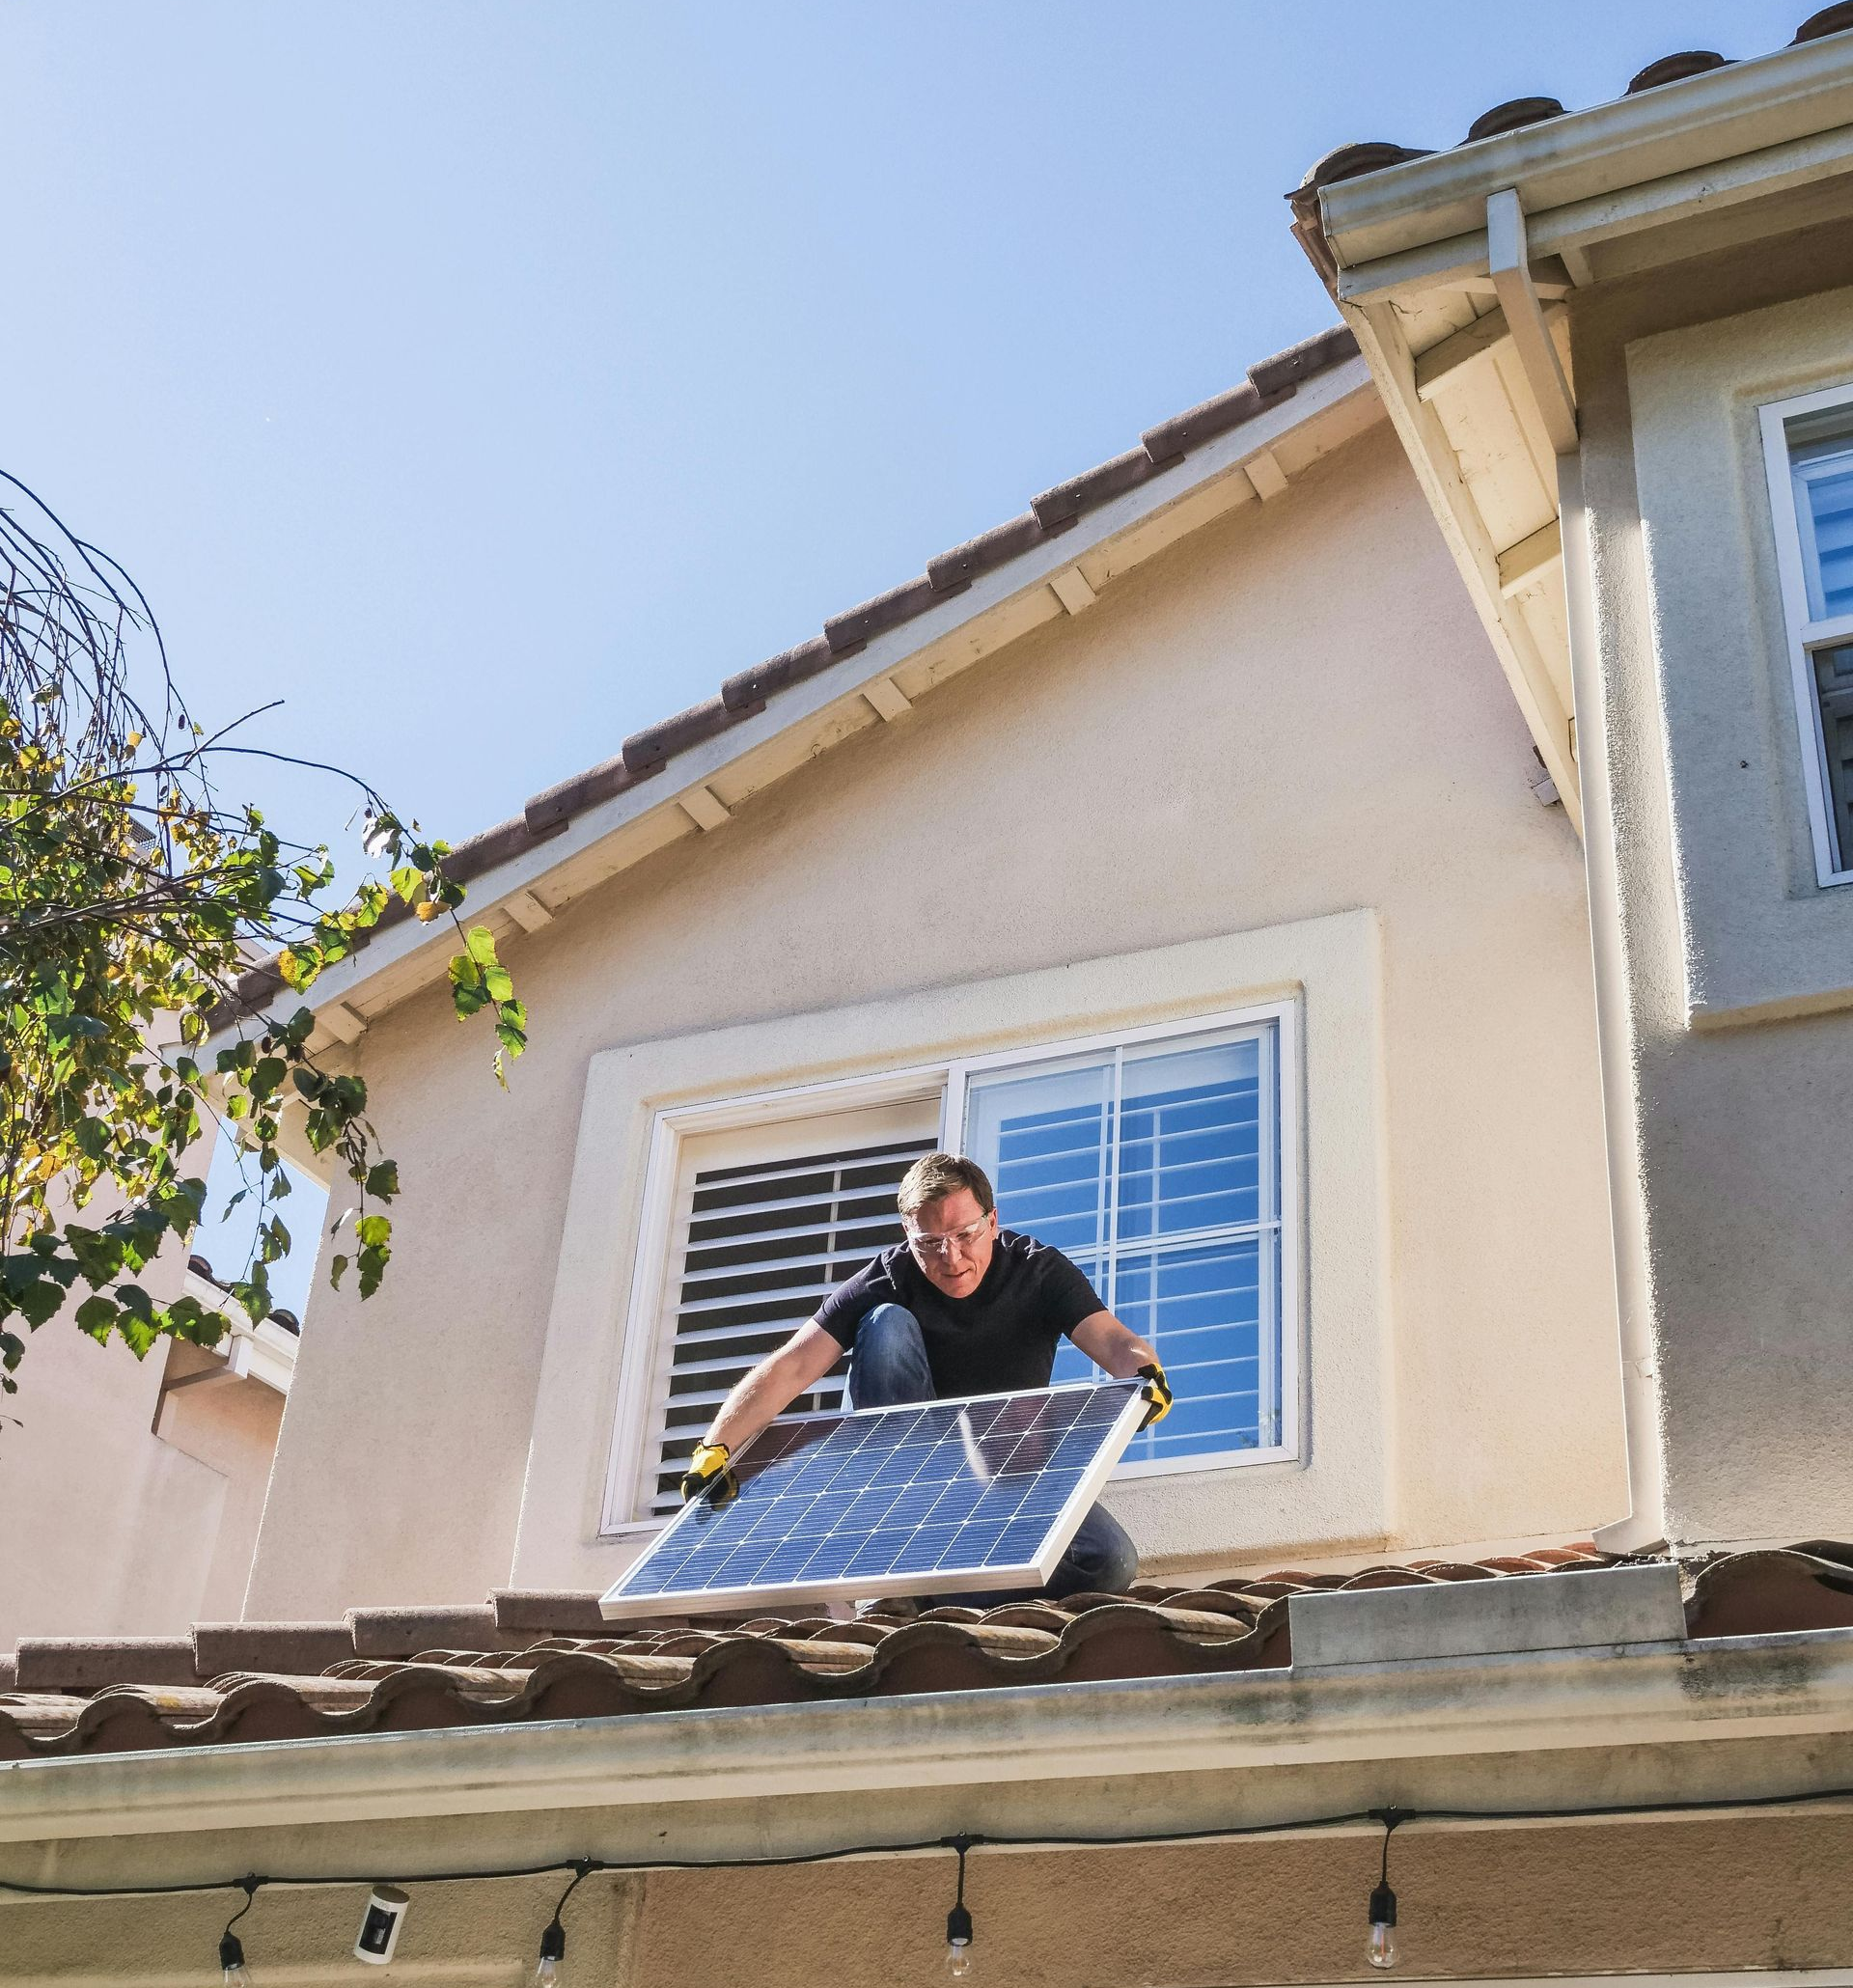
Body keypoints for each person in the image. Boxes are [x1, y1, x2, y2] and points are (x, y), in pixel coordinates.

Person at [678, 1150, 1172, 1603]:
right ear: (907, 1237)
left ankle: (939, 1595)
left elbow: (1110, 1339)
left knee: (1108, 1561)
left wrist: (1143, 1374)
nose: (951, 1258)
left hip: (1008, 1468)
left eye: (965, 1236)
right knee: (885, 1324)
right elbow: (793, 1364)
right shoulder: (887, 1278)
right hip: (913, 1475)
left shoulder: (1036, 1271)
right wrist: (716, 1446)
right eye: (930, 1243)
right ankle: (897, 1555)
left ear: (993, 1221)